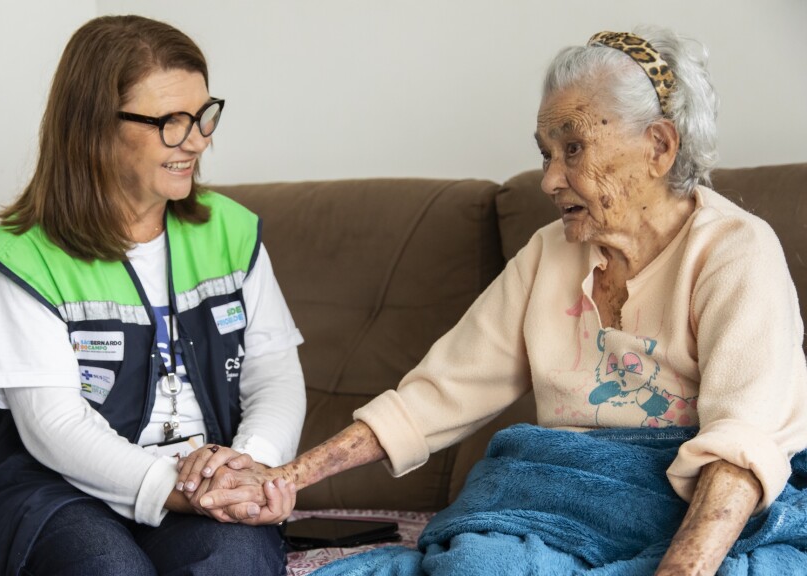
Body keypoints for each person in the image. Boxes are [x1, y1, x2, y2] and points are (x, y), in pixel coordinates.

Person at [195, 26, 807, 575]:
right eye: (545, 153)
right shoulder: (551, 253)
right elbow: (436, 395)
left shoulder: (734, 251)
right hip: (563, 490)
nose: (549, 180)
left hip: (695, 500)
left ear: (659, 146)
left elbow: (741, 445)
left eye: (573, 149)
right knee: (482, 563)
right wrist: (288, 476)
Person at [0, 15, 303, 576]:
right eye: (170, 121)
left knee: (236, 561)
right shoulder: (23, 259)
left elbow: (274, 373)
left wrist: (252, 467)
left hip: (200, 482)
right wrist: (178, 488)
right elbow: (55, 428)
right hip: (50, 492)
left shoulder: (232, 233)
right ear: (93, 128)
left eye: (204, 115)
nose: (198, 140)